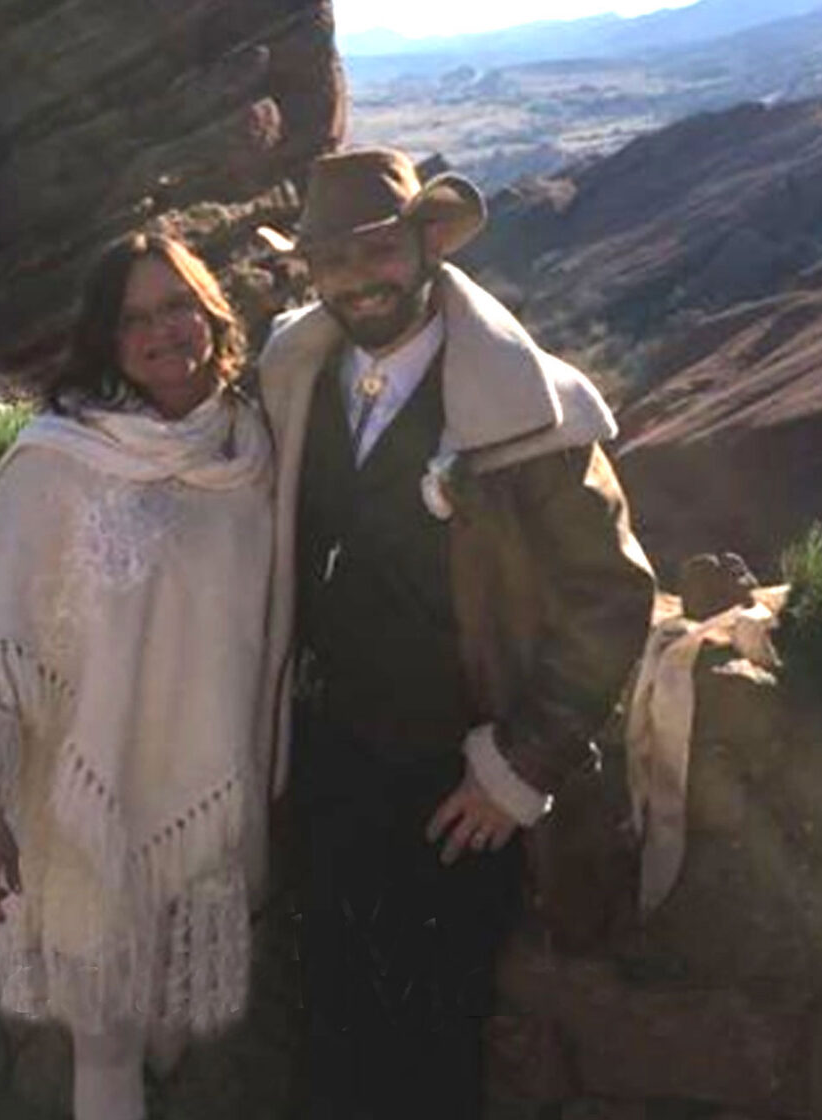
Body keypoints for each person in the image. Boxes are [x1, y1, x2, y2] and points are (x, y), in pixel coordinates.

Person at [254, 148, 657, 1118]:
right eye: (331, 259)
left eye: (377, 249)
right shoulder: (295, 378)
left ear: (426, 245)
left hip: (453, 776)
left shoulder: (524, 408)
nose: (357, 278)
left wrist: (517, 765)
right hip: (324, 757)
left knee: (437, 1028)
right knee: (323, 1005)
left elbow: (609, 595)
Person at [0, 233, 273, 1120]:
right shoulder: (58, 462)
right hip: (79, 798)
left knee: (170, 1030)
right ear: (107, 342)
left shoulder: (253, 447)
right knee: (106, 1039)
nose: (161, 332)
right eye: (133, 320)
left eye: (176, 306)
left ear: (210, 313)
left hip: (212, 797)